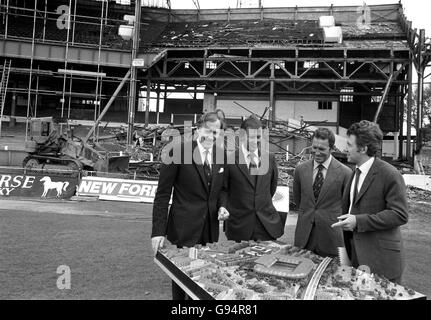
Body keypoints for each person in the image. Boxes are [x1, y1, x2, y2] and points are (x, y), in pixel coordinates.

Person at [151, 112, 226, 299]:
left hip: (209, 231)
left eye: (216, 133)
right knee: (181, 282)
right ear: (198, 129)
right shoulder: (177, 152)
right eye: (208, 131)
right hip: (183, 229)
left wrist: (223, 206)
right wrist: (158, 232)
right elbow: (162, 195)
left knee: (205, 279)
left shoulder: (221, 155)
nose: (211, 136)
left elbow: (222, 189)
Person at [332, 120, 408, 284]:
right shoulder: (354, 173)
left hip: (382, 261)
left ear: (363, 148)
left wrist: (358, 221)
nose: (345, 148)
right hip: (356, 256)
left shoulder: (390, 174)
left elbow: (400, 214)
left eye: (350, 144)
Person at [218, 116, 284, 242]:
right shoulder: (229, 160)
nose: (255, 141)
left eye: (258, 137)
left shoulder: (269, 158)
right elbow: (224, 189)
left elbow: (271, 188)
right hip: (239, 227)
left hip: (266, 226)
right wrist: (223, 207)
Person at [293, 128, 352, 257]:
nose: (317, 152)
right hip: (304, 238)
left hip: (331, 238)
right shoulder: (300, 170)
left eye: (322, 149)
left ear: (331, 148)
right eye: (315, 148)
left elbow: (347, 206)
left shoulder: (345, 173)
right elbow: (298, 200)